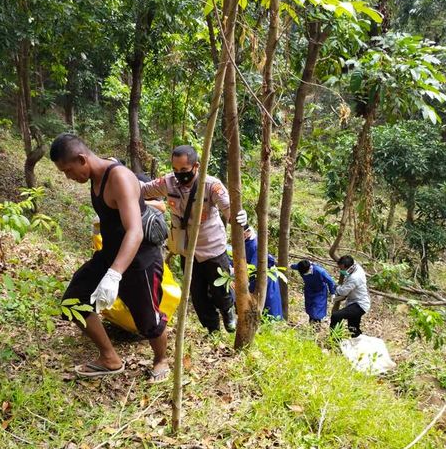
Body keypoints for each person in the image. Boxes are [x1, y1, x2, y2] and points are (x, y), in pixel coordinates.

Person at [50, 134, 169, 381]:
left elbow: (135, 231)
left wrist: (114, 274)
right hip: (110, 254)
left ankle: (161, 359)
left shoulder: (120, 178)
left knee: (148, 321)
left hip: (139, 260)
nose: (68, 178)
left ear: (82, 159)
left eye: (69, 170)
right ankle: (110, 358)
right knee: (73, 301)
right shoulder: (95, 176)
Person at [141, 145, 248, 333]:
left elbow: (228, 208)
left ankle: (227, 310)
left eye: (184, 170)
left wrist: (240, 217)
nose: (179, 175)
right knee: (197, 294)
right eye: (175, 170)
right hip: (187, 248)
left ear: (196, 166)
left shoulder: (211, 185)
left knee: (220, 289)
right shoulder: (168, 182)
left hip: (212, 246)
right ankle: (212, 328)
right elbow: (144, 190)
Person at [241, 227, 282, 318]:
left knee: (269, 301)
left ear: (248, 232)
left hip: (265, 275)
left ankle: (271, 321)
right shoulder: (246, 242)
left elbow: (254, 265)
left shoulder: (256, 244)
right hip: (253, 276)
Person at [330, 255, 370, 337]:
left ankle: (335, 338)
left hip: (359, 304)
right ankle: (358, 343)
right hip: (354, 302)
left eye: (342, 269)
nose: (341, 271)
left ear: (349, 267)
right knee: (353, 328)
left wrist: (336, 287)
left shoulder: (355, 278)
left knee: (336, 316)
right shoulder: (355, 266)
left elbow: (343, 292)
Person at [291, 259, 336, 323]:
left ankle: (316, 326)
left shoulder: (320, 271)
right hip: (309, 290)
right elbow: (292, 266)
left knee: (317, 310)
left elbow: (331, 281)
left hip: (319, 292)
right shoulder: (300, 267)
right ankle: (311, 325)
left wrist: (332, 293)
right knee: (310, 308)